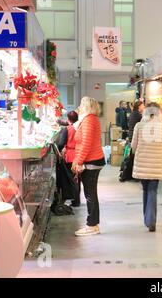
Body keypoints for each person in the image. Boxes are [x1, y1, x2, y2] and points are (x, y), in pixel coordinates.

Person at [72, 97, 106, 237]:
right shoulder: (91, 119)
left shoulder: (88, 120)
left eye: (81, 104)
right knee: (90, 193)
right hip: (93, 160)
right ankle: (93, 224)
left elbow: (85, 144)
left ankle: (92, 225)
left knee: (90, 194)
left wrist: (78, 161)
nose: (79, 106)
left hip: (91, 161)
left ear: (86, 106)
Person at [131, 102, 162, 232]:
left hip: (142, 163)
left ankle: (147, 218)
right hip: (156, 164)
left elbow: (133, 146)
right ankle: (151, 220)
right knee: (153, 190)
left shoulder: (139, 126)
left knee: (145, 190)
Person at [57, 111, 81, 207]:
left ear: (68, 119)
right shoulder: (79, 128)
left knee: (71, 179)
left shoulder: (67, 129)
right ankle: (77, 200)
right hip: (79, 155)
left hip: (70, 156)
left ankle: (74, 199)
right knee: (77, 179)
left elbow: (61, 143)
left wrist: (58, 151)